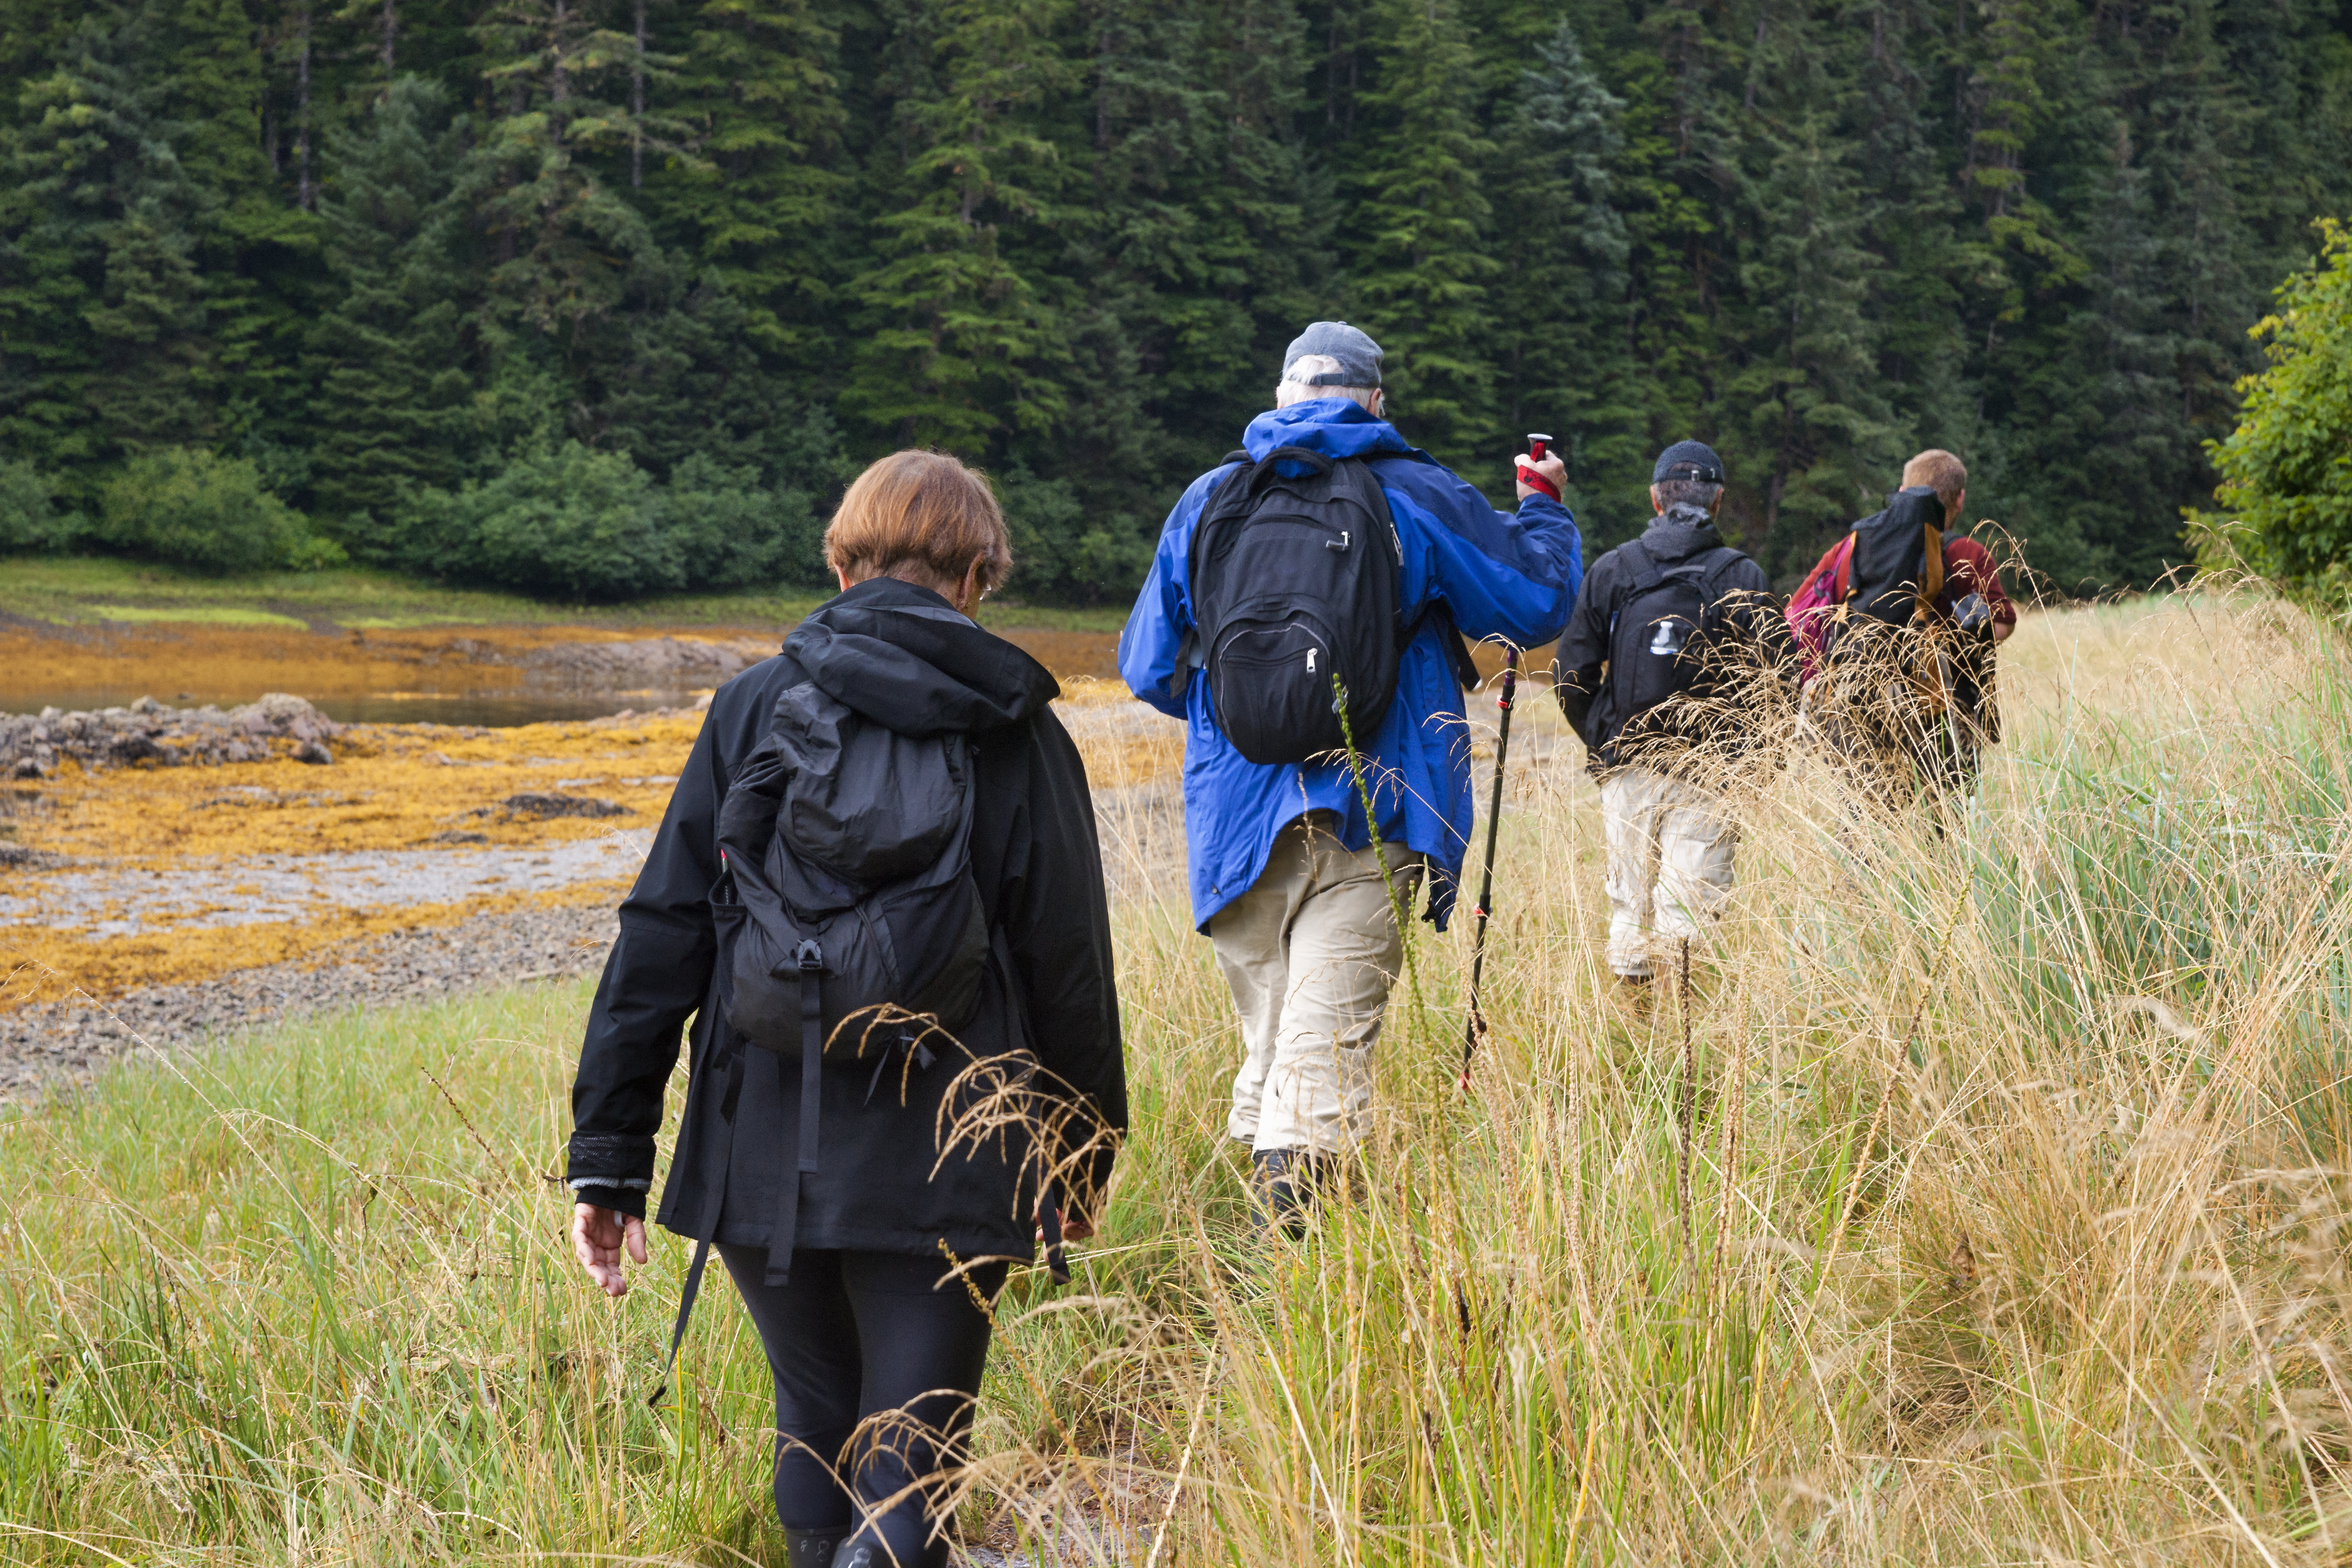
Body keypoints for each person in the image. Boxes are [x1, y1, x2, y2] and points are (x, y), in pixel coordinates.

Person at [564, 450, 1127, 1568]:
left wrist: (609, 1158)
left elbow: (664, 931)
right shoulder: (1017, 727)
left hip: (758, 1144)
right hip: (951, 1145)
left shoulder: (751, 706)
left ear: (842, 560)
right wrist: (1079, 1153)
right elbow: (1069, 962)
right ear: (976, 575)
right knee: (914, 1461)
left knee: (814, 1425)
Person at [1119, 320, 1582, 1227]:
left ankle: (1243, 1292)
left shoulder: (1209, 499)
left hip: (1234, 822)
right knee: (1321, 1057)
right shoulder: (1416, 490)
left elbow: (1147, 666)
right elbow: (1530, 609)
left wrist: (1247, 725)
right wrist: (1543, 508)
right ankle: (1289, 1289)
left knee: (1274, 1049)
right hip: (1377, 804)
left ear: (1284, 397)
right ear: (1375, 403)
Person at [1551, 440, 1792, 984]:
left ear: (1655, 500)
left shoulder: (1615, 569)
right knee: (1689, 913)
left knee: (1629, 911)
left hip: (1628, 765)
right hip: (1710, 770)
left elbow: (1570, 676)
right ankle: (1679, 1039)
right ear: (1719, 501)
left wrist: (1606, 739)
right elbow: (1780, 684)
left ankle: (1635, 1032)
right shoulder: (1743, 576)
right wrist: (1753, 767)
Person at [1787, 448, 2016, 797]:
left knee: (1866, 824)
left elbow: (1800, 615)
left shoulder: (1852, 546)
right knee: (1945, 829)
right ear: (1960, 499)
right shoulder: (1967, 553)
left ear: (1902, 489)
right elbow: (2001, 626)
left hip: (1860, 706)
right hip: (1943, 711)